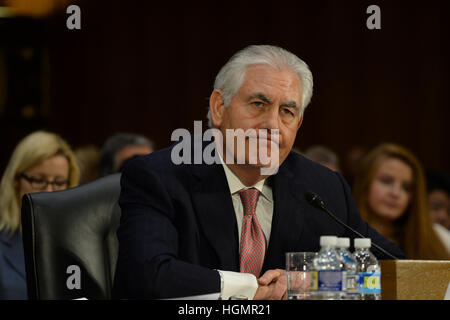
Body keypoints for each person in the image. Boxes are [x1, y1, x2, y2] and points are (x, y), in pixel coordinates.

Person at [113, 45, 404, 300]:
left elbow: (397, 267)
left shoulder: (323, 188)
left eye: (287, 112)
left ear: (298, 123)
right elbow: (147, 275)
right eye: (258, 104)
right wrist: (250, 288)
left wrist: (306, 281)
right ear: (219, 107)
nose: (272, 125)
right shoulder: (159, 177)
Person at [0, 131, 80, 299]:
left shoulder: (78, 245)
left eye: (59, 182)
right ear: (16, 181)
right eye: (38, 180)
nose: (49, 191)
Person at [352, 143, 450, 260]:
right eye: (386, 181)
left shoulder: (438, 237)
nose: (395, 193)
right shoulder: (341, 237)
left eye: (406, 187)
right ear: (365, 184)